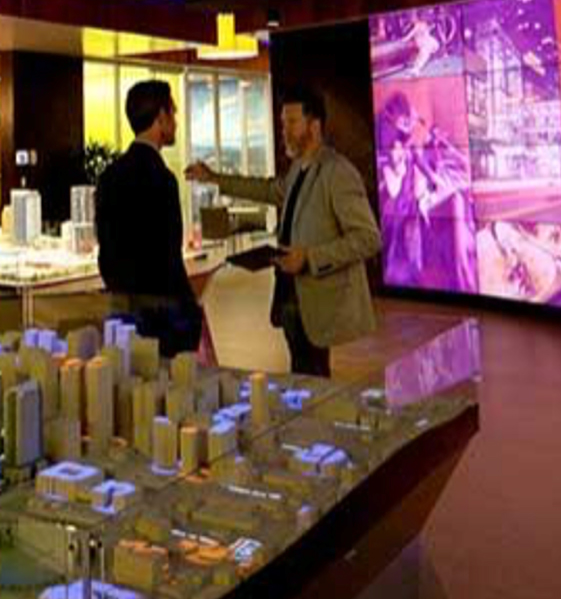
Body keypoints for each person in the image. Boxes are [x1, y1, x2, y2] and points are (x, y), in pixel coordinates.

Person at [187, 87, 380, 377]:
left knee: (313, 379)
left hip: (317, 304)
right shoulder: (298, 169)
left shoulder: (338, 172)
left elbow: (368, 239)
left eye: (291, 122)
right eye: (282, 123)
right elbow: (268, 189)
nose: (284, 132)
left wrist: (310, 257)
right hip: (291, 299)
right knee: (302, 377)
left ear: (314, 125)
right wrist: (215, 178)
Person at [95, 79, 203, 356]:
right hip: (163, 315)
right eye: (173, 113)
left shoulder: (109, 177)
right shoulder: (162, 178)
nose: (175, 122)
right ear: (160, 117)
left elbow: (106, 249)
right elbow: (169, 252)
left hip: (123, 311)